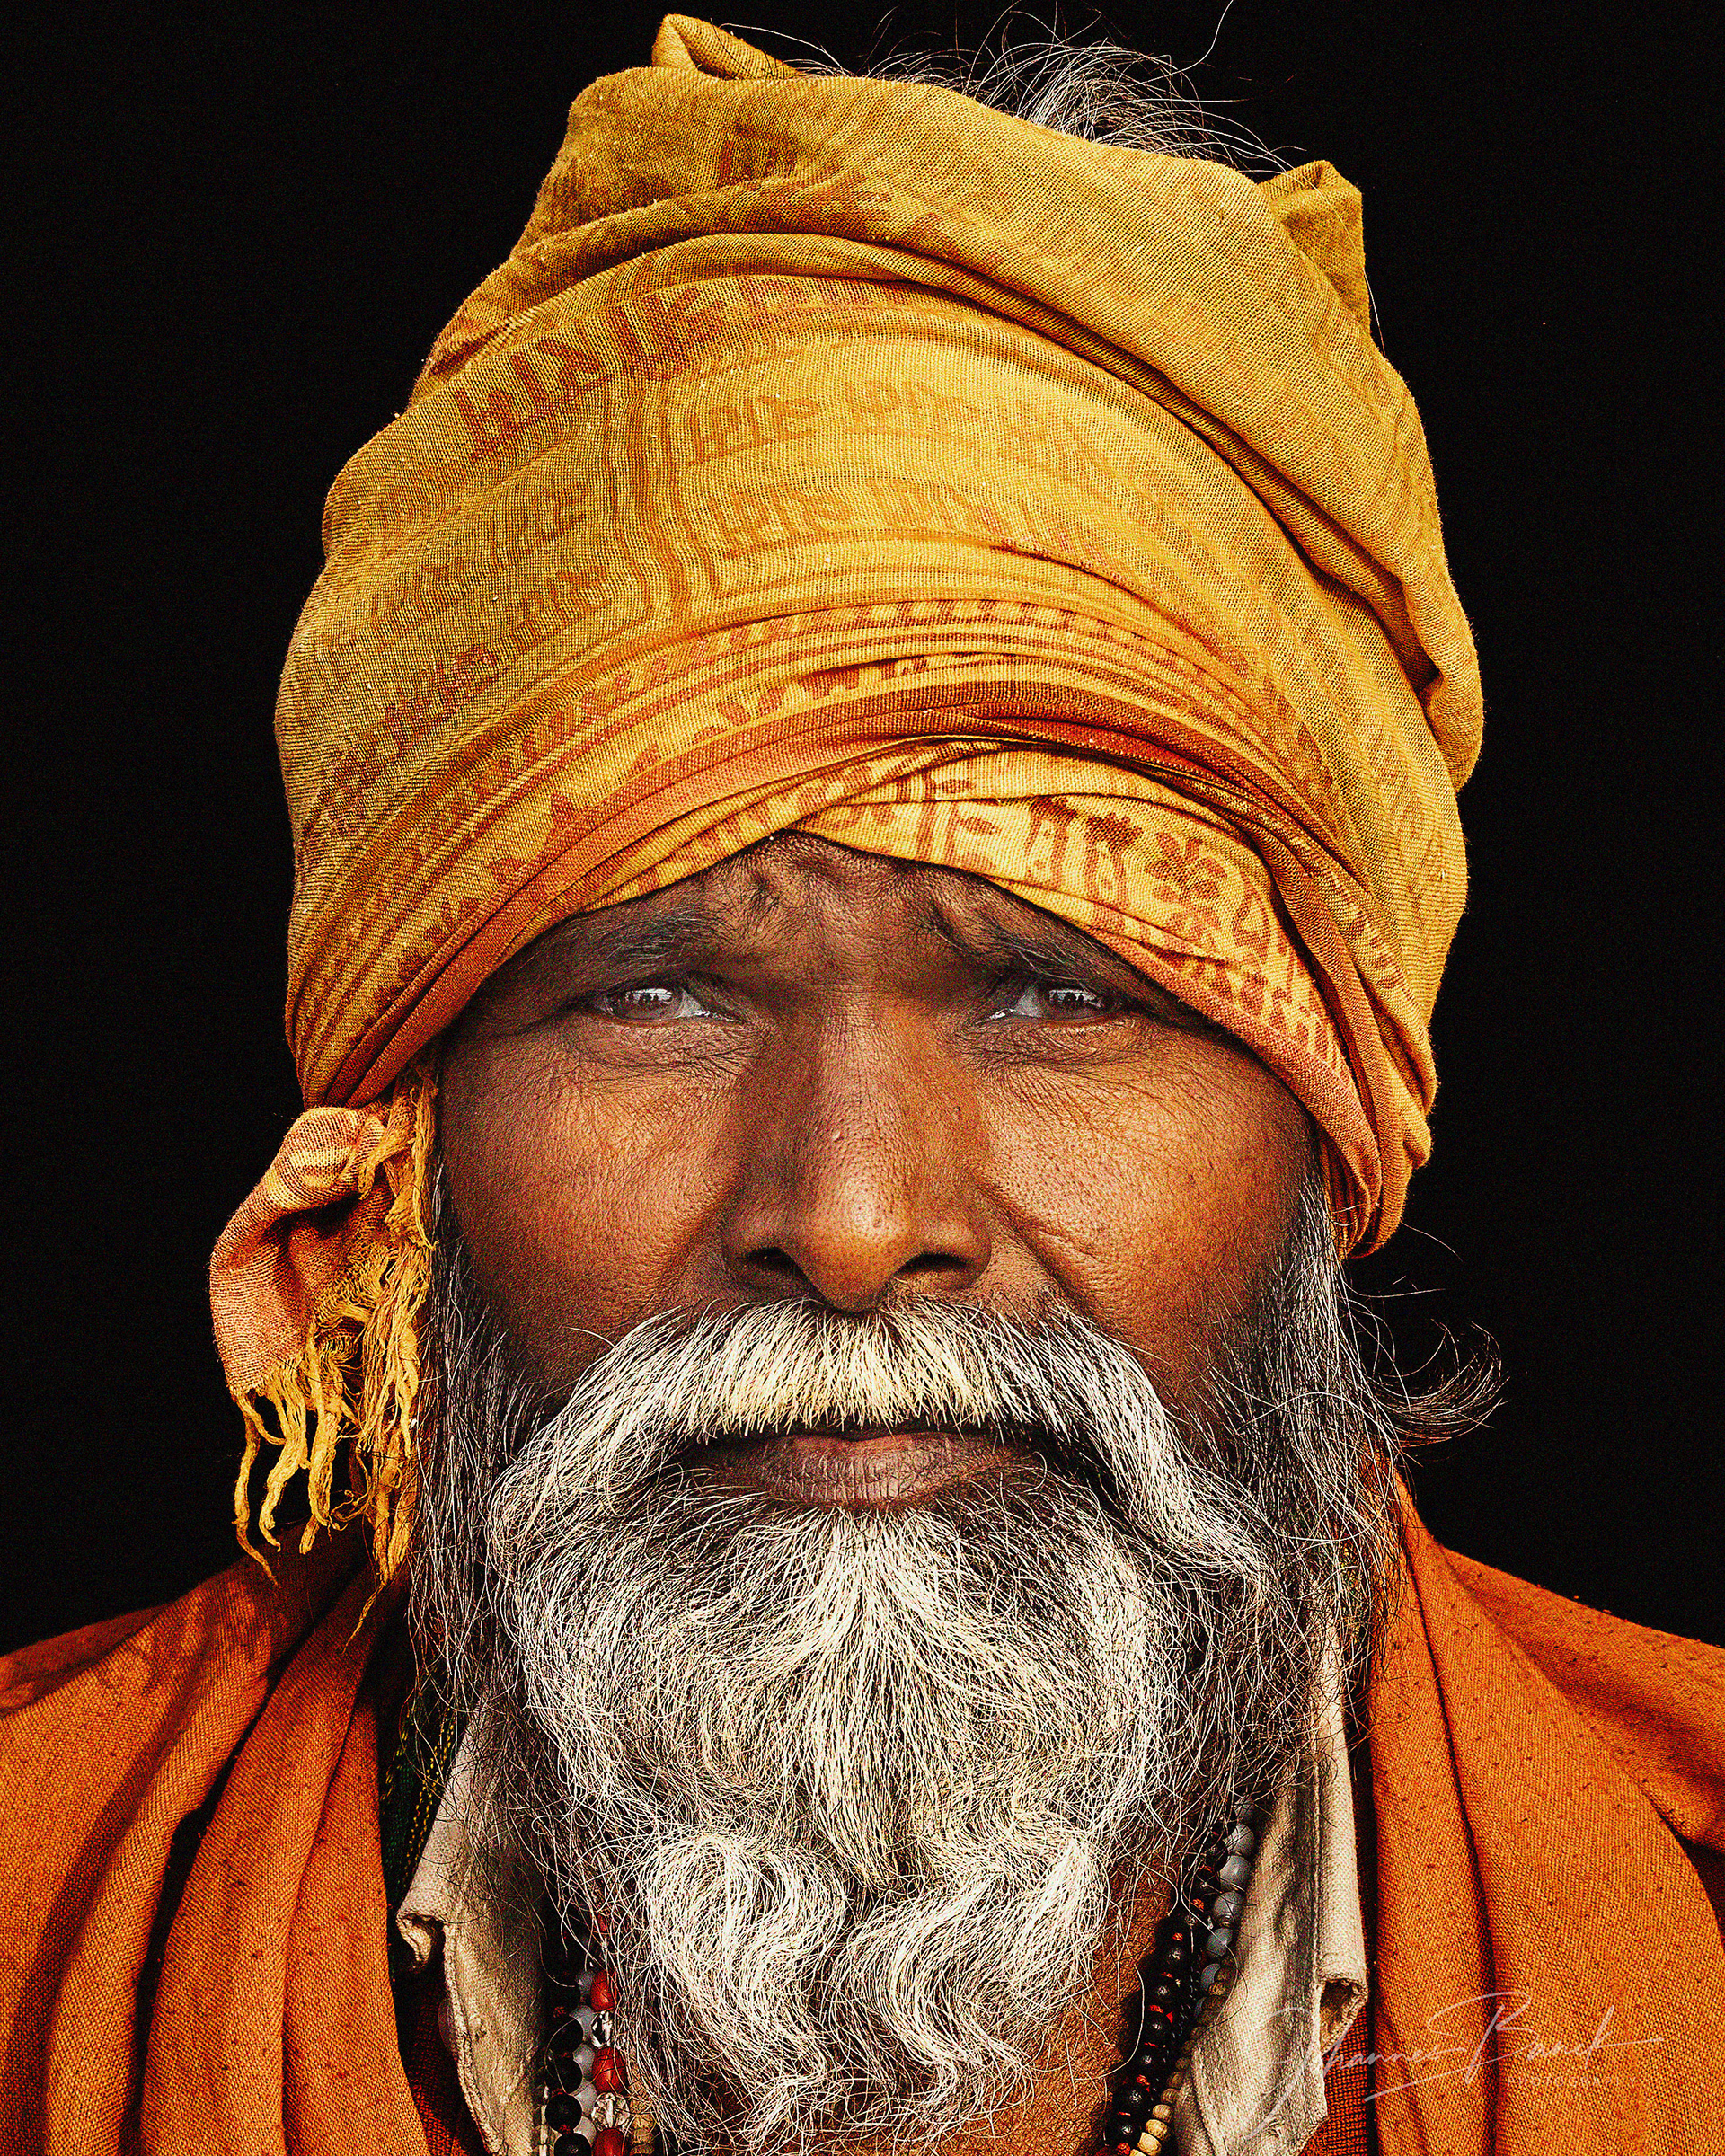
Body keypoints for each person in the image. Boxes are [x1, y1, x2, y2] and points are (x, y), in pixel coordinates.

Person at [2, 19, 1720, 2156]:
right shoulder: (38, 1911)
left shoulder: (1689, 1929)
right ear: (405, 1145)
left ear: (1323, 1117)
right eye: (654, 998)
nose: (846, 1212)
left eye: (1054, 996)